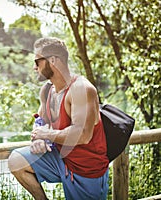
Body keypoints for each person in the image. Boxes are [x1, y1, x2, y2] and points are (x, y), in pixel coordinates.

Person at [8, 37, 109, 200]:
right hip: (60, 160)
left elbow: (82, 135)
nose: (34, 67)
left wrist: (46, 135)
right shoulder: (47, 90)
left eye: (37, 61)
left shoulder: (81, 89)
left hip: (86, 170)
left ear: (52, 60)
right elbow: (41, 122)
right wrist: (38, 140)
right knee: (16, 160)